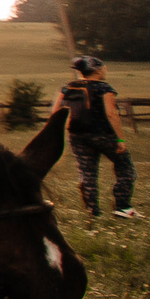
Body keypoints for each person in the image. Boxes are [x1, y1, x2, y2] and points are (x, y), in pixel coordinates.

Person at [61, 55, 137, 219]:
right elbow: (111, 113)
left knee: (87, 173)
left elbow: (60, 110)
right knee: (125, 168)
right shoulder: (104, 88)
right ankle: (123, 207)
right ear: (97, 69)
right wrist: (121, 140)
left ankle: (92, 212)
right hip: (102, 134)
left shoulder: (69, 87)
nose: (105, 70)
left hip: (77, 136)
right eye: (103, 67)